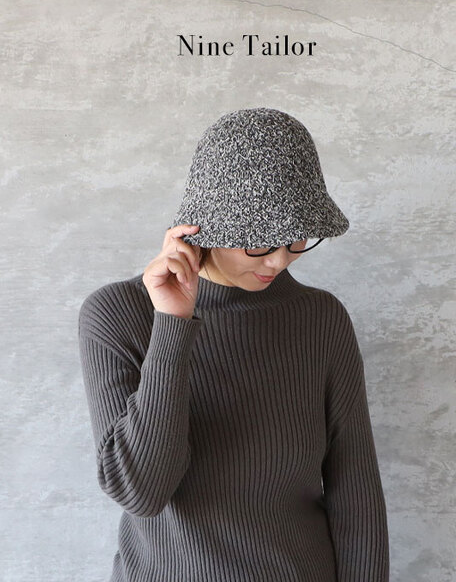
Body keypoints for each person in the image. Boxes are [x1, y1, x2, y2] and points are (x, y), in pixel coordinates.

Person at [78, 107, 390, 581]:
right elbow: (141, 491)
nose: (279, 261)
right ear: (204, 229)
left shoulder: (320, 318)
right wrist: (173, 323)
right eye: (260, 243)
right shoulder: (117, 314)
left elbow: (355, 490)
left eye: (297, 239)